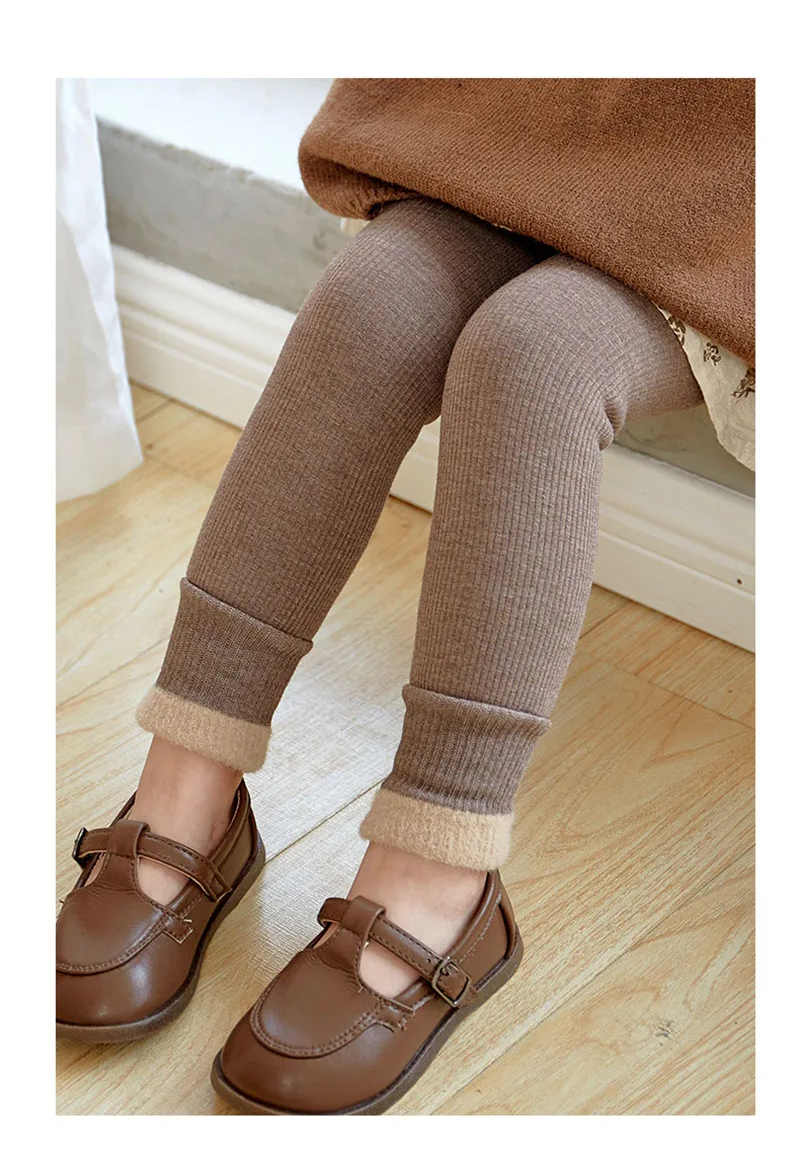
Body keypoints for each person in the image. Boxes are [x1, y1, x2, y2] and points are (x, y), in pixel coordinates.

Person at [56, 78, 754, 1115]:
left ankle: (441, 861)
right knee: (371, 305)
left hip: (733, 181)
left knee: (536, 356)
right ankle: (189, 772)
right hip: (548, 119)